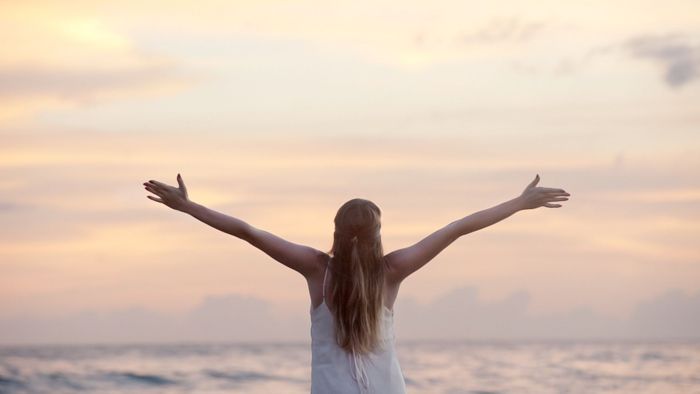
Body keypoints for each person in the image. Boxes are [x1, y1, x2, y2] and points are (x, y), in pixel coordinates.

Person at [143, 173, 570, 393]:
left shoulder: (316, 269)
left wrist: (188, 206)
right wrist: (519, 203)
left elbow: (248, 231)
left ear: (335, 228)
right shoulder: (394, 269)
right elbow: (458, 227)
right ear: (378, 233)